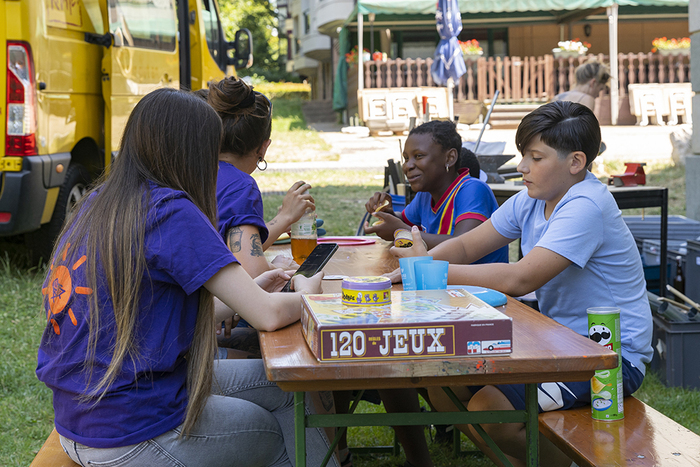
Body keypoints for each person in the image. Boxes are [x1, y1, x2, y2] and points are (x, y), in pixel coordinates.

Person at [36, 88, 339, 467]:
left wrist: (242, 297)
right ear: (195, 151)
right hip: (128, 427)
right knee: (267, 429)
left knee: (285, 389)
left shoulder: (98, 204)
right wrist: (311, 294)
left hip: (80, 418)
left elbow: (142, 320)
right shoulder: (171, 211)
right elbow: (269, 316)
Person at [390, 101, 652, 467]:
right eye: (523, 156)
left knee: (488, 407)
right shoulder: (533, 199)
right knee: (443, 384)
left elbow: (521, 277)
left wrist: (427, 270)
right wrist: (415, 268)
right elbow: (467, 244)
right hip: (559, 343)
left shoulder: (586, 205)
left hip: (608, 355)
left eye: (536, 158)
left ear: (575, 162)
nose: (523, 167)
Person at [203, 78, 314, 278]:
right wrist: (277, 269)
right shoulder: (240, 186)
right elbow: (253, 275)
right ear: (264, 147)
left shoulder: (194, 172)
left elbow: (236, 246)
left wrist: (281, 221)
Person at [364, 120, 508, 264]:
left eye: (419, 156)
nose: (408, 165)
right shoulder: (425, 194)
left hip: (479, 284)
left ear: (450, 158)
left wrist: (402, 231)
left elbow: (463, 245)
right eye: (406, 158)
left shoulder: (473, 190)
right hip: (446, 281)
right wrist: (387, 214)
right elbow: (404, 223)